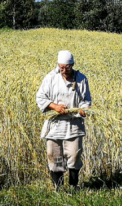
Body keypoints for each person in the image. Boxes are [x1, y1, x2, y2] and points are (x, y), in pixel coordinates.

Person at [36, 50, 92, 189]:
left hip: (74, 123)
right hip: (55, 124)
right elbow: (41, 97)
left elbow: (86, 100)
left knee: (74, 155)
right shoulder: (51, 78)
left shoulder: (81, 79)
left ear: (72, 65)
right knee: (53, 155)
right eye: (61, 67)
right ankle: (58, 188)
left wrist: (83, 109)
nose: (64, 70)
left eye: (67, 67)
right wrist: (55, 106)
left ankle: (73, 186)